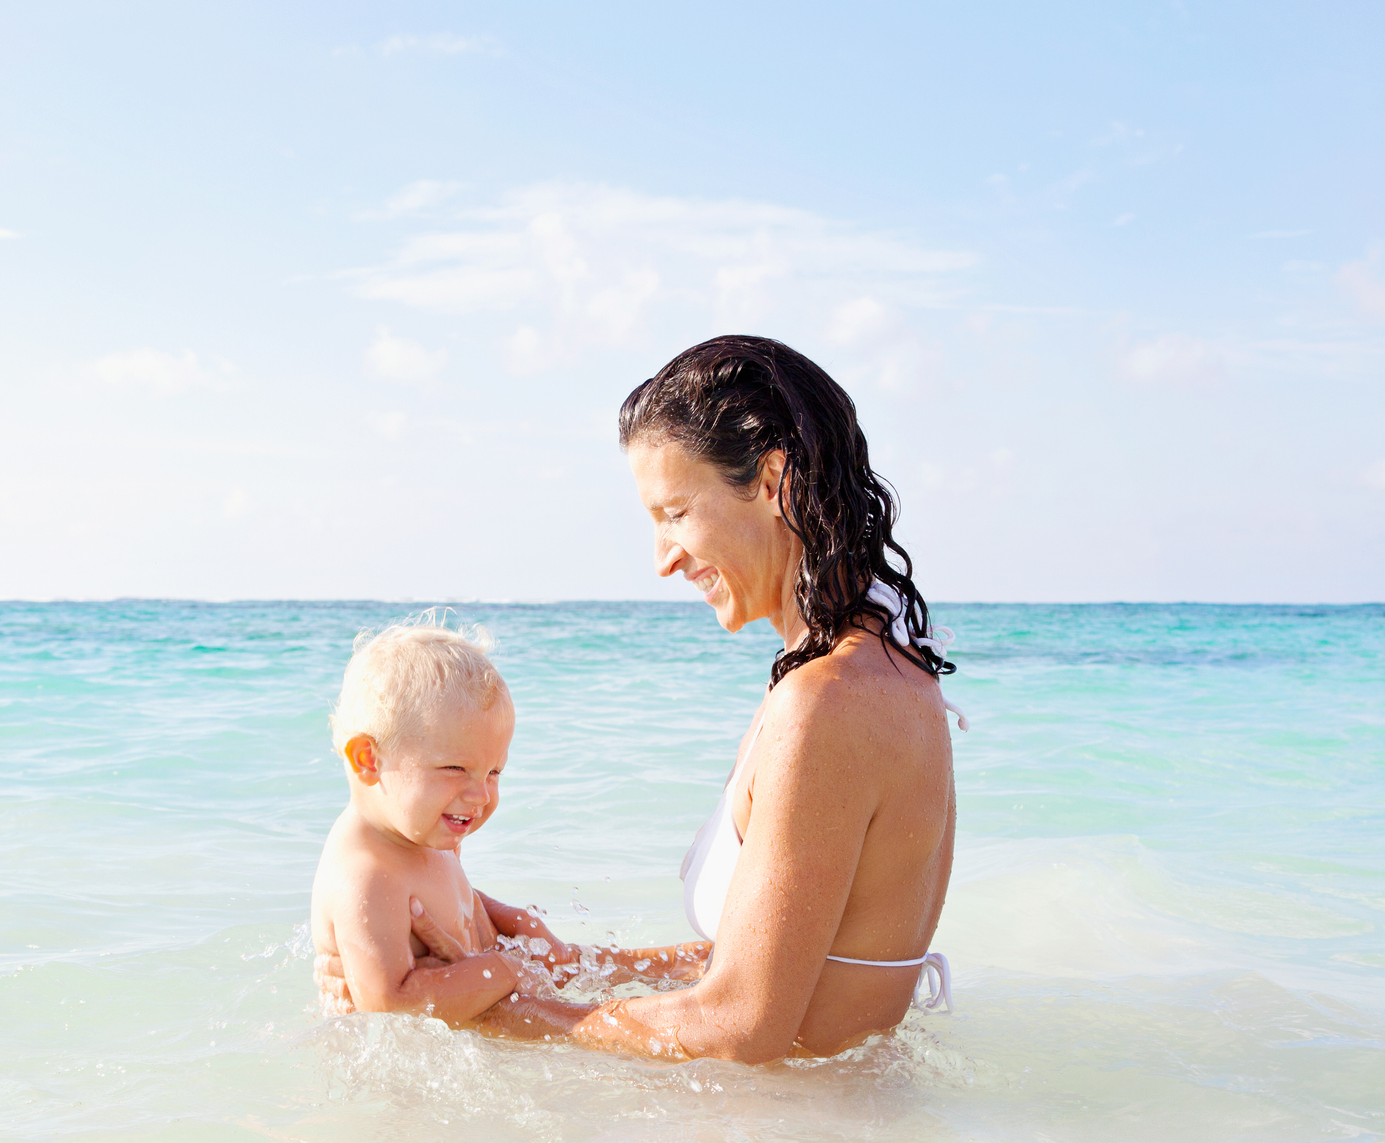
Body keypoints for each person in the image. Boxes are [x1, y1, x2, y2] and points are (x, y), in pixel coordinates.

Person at [318, 336, 960, 1062]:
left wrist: (485, 1011)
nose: (662, 558)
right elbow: (787, 968)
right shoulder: (874, 668)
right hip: (834, 1125)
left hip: (796, 1136)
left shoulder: (828, 701)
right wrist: (550, 964)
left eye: (675, 513)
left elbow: (739, 1028)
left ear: (774, 480)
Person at [309, 619, 566, 1020]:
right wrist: (505, 969)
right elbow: (388, 1003)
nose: (480, 794)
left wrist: (518, 925)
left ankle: (693, 963)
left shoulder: (422, 833)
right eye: (454, 768)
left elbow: (457, 901)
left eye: (494, 773)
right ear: (369, 760)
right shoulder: (366, 872)